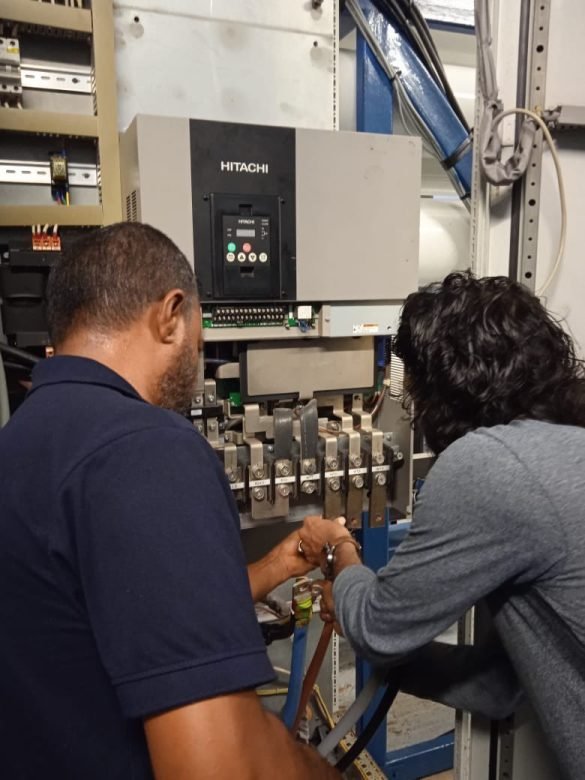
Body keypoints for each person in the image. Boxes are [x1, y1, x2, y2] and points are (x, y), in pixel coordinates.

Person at [0, 222, 338, 779]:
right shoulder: (148, 448)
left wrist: (278, 565)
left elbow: (112, 615)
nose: (199, 363)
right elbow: (224, 765)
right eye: (201, 345)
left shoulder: (22, 442)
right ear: (171, 314)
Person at [299, 272, 585, 780]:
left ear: (443, 386)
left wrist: (341, 553)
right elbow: (501, 688)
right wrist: (367, 617)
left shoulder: (494, 464)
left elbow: (377, 628)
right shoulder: (565, 444)